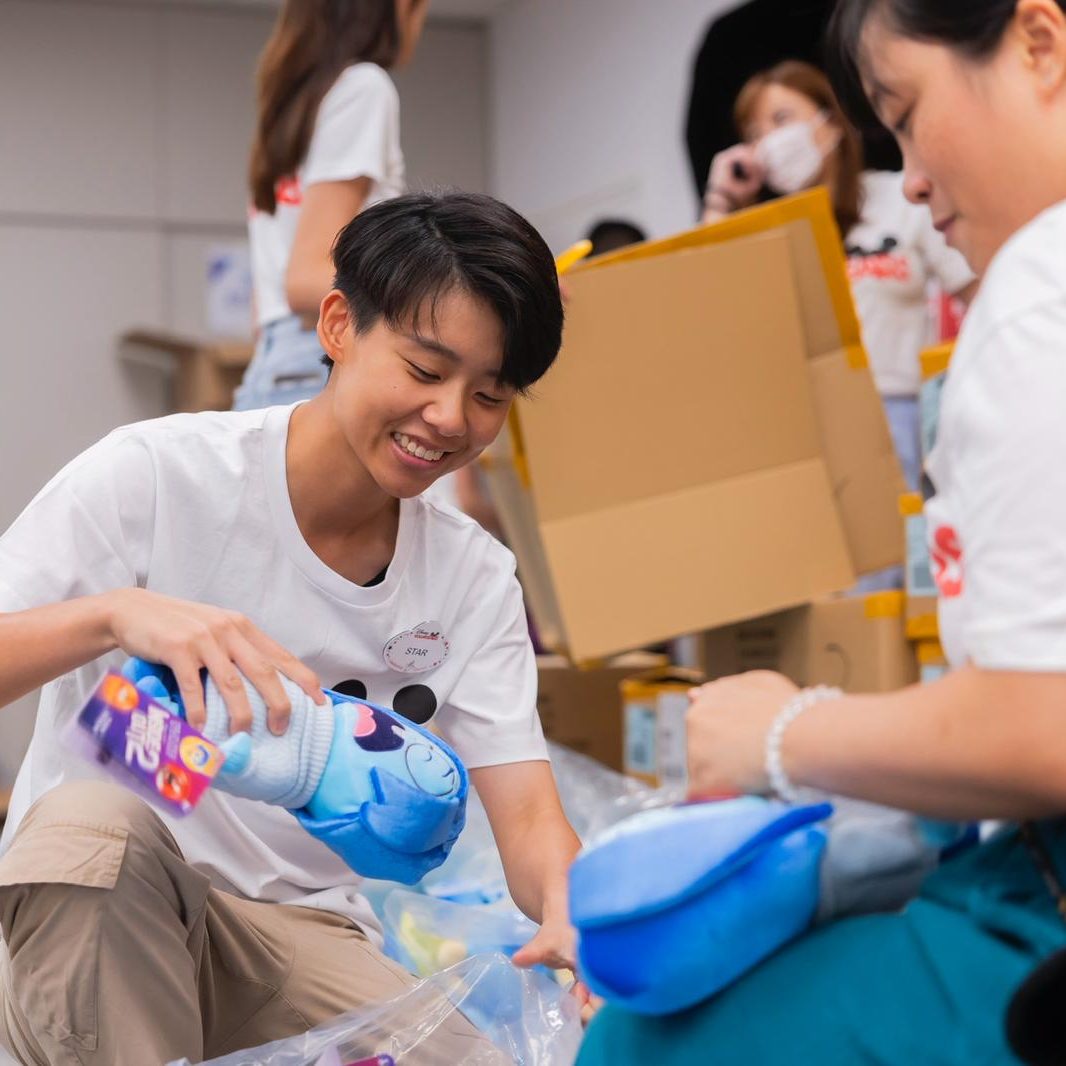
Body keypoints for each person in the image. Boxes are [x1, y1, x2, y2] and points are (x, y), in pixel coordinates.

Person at [580, 0, 1066, 1061]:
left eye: (902, 113)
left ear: (1038, 44)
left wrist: (780, 732)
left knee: (631, 1045)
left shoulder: (1029, 294)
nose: (915, 176)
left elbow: (1040, 725)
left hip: (1036, 917)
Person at [0, 192, 584, 1065]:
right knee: (93, 820)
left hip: (301, 931)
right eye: (426, 372)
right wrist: (114, 614)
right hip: (106, 908)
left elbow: (531, 816)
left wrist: (575, 910)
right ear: (340, 325)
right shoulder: (157, 476)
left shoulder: (471, 575)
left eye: (490, 395)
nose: (452, 420)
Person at [702, 59, 976, 493]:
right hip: (807, 430)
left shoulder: (898, 198)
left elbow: (979, 294)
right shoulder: (765, 233)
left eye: (780, 119)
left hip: (906, 412)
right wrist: (721, 196)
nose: (769, 141)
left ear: (828, 122)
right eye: (753, 134)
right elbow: (704, 298)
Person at [234, 0, 426, 412]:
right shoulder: (363, 87)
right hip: (318, 361)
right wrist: (467, 295)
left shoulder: (294, 110)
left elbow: (264, 302)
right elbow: (306, 282)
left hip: (274, 365)